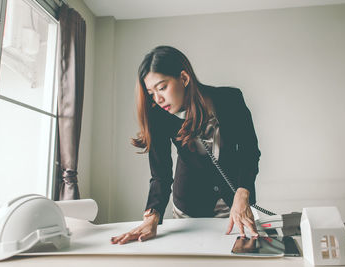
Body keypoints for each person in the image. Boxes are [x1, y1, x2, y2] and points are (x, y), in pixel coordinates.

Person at [111, 46, 261, 245]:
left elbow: (249, 152)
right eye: (151, 93)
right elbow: (160, 175)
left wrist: (243, 193)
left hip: (235, 203)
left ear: (184, 77)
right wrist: (152, 218)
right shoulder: (159, 116)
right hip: (190, 206)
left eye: (162, 88)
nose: (158, 99)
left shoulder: (230, 100)